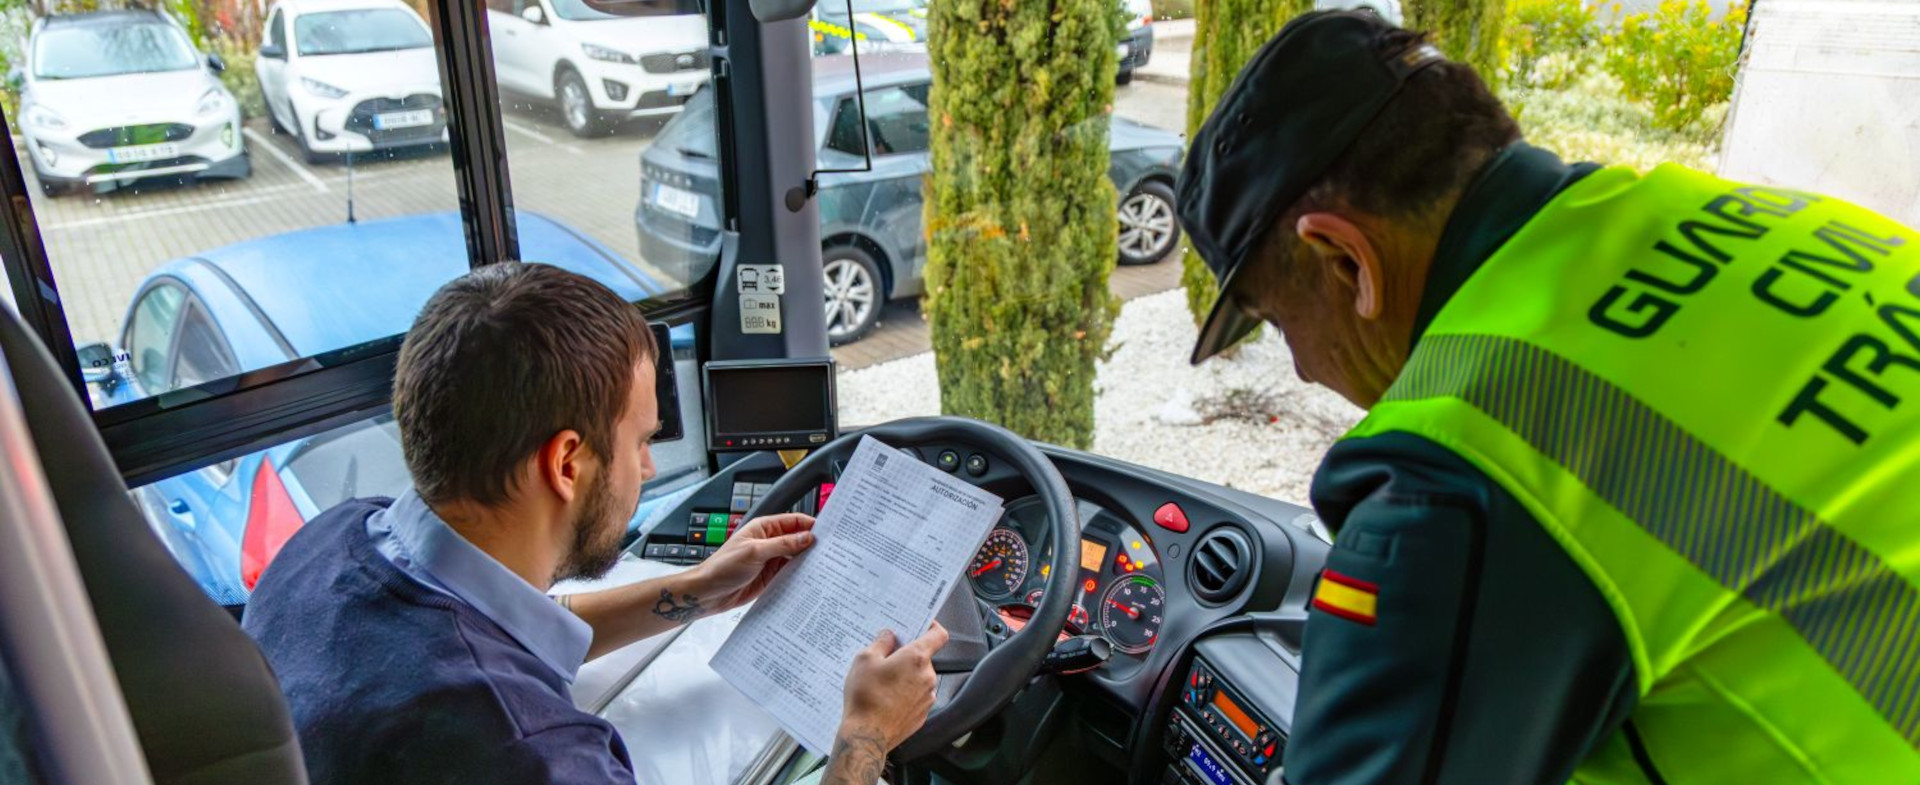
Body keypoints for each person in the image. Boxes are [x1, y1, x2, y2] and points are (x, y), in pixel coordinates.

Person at [1177, 10, 1920, 785]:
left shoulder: (1467, 466)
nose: (1300, 370)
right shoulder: (1773, 220)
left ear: (1345, 260)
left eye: (1278, 322)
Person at [244, 262, 947, 785]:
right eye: (640, 441)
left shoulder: (328, 541)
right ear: (566, 463)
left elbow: (507, 629)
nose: (647, 466)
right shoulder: (534, 754)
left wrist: (694, 591)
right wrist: (865, 736)